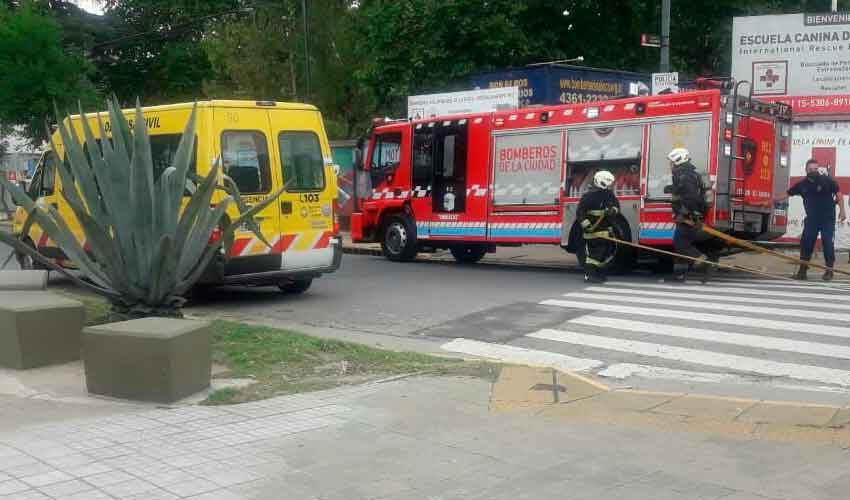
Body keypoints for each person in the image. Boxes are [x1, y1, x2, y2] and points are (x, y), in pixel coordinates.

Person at [779, 159, 846, 281]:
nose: (814, 171)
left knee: (828, 244)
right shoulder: (802, 185)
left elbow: (839, 195)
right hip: (812, 219)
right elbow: (787, 194)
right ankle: (803, 270)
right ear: (806, 170)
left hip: (827, 219)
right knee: (806, 243)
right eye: (811, 169)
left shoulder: (827, 180)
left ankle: (829, 271)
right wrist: (769, 201)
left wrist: (842, 211)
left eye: (816, 169)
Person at [665, 147, 716, 283]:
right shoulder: (687, 174)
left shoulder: (685, 175)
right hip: (687, 216)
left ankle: (707, 265)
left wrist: (692, 215)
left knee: (681, 245)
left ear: (678, 160)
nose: (670, 165)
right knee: (681, 244)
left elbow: (691, 197)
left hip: (688, 217)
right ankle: (679, 275)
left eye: (671, 162)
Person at [577, 170, 620, 283]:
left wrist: (612, 211)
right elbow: (580, 213)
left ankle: (599, 274)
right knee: (595, 254)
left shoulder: (609, 194)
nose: (610, 186)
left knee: (604, 254)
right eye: (608, 183)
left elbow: (616, 206)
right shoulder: (588, 197)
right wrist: (587, 226)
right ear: (602, 182)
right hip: (593, 231)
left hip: (605, 230)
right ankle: (590, 275)